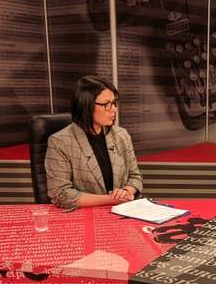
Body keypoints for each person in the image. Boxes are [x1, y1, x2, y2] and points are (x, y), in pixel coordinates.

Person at [45, 76, 143, 208]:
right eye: (106, 104)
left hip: (121, 210)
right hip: (82, 215)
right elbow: (61, 193)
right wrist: (110, 199)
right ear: (86, 106)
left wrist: (126, 192)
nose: (114, 109)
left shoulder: (121, 135)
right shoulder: (60, 142)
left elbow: (135, 176)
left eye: (114, 103)